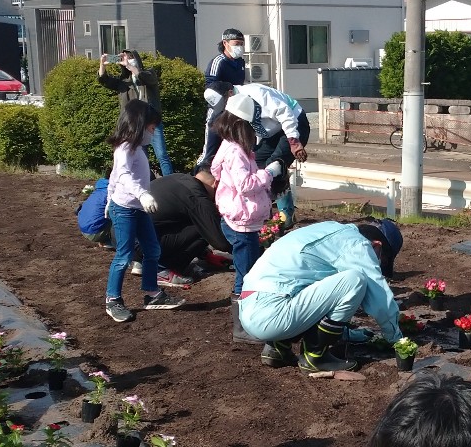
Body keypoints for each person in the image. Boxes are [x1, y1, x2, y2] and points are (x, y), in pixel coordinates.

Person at [236, 219, 402, 372]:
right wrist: (397, 340)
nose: (378, 265)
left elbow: (320, 298)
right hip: (272, 315)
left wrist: (349, 335)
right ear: (377, 245)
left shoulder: (331, 231)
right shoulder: (357, 244)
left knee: (314, 280)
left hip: (252, 307)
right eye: (382, 260)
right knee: (355, 280)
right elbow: (380, 298)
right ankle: (315, 356)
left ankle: (277, 347)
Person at [104, 99, 184, 323]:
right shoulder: (124, 149)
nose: (153, 132)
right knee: (124, 256)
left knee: (152, 250)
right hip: (125, 209)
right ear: (139, 124)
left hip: (138, 209)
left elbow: (114, 176)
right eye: (151, 127)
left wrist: (114, 197)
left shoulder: (136, 148)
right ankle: (112, 299)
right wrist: (139, 195)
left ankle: (152, 293)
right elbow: (122, 175)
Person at [207, 81, 310, 228]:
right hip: (271, 132)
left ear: (230, 93)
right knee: (256, 166)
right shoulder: (234, 103)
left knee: (275, 164)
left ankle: (286, 215)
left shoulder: (256, 94)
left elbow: (285, 112)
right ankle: (263, 213)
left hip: (294, 122)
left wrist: (294, 141)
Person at [211, 93, 275, 297]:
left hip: (238, 216)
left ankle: (244, 301)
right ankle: (243, 306)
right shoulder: (236, 152)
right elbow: (245, 185)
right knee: (247, 272)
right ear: (241, 126)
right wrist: (268, 173)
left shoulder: (227, 145)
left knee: (245, 266)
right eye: (251, 128)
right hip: (242, 222)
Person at [148, 167, 232, 280]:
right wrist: (246, 249)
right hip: (146, 244)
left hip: (131, 240)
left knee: (199, 222)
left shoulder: (179, 178)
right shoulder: (197, 195)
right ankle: (161, 268)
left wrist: (205, 254)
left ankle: (146, 261)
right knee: (205, 227)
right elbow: (221, 242)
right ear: (216, 184)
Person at [98, 51, 171, 179]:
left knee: (162, 155)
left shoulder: (149, 73)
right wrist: (102, 65)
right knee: (142, 156)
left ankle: (170, 181)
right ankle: (148, 182)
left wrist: (130, 66)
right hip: (136, 124)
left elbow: (147, 78)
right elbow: (105, 81)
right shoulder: (123, 81)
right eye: (124, 58)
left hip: (152, 121)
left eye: (130, 57)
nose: (127, 60)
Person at [198, 28, 248, 165]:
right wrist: (228, 88)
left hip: (236, 110)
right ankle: (201, 171)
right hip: (218, 110)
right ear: (225, 43)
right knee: (210, 151)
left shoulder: (241, 62)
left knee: (235, 150)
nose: (240, 47)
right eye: (236, 44)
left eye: (241, 44)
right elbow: (210, 86)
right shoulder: (218, 61)